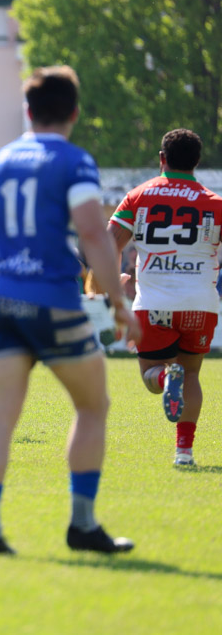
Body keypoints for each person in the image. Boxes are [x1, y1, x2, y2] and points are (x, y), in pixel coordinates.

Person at [0, 65, 140, 555]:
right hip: (54, 302)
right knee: (92, 406)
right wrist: (119, 301)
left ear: (27, 111)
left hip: (0, 300)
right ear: (74, 113)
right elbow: (93, 233)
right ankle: (82, 525)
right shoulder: (74, 161)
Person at [108, 128, 222, 466]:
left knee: (152, 378)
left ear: (162, 158)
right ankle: (184, 452)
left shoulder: (139, 196)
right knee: (192, 375)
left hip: (153, 304)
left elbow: (109, 242)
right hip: (200, 304)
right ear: (197, 161)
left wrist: (113, 282)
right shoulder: (215, 203)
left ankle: (163, 377)